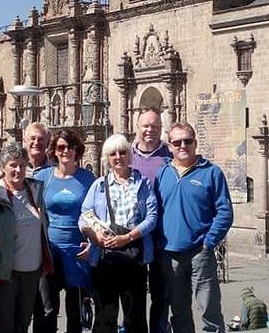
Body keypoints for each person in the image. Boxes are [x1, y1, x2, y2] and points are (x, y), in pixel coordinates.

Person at [154, 122, 233, 333]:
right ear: (169, 146)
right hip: (170, 256)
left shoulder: (211, 172)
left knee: (210, 310)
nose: (183, 145)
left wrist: (208, 243)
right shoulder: (162, 175)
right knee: (179, 312)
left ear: (195, 143)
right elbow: (155, 213)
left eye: (187, 141)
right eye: (177, 142)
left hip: (201, 253)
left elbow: (225, 212)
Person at [80, 133, 158, 333]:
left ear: (129, 155)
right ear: (107, 158)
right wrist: (94, 236)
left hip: (134, 257)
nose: (118, 157)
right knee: (105, 317)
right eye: (112, 154)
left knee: (136, 317)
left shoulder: (142, 184)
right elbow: (84, 217)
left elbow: (152, 217)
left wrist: (128, 236)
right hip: (106, 259)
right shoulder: (98, 186)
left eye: (122, 152)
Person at [0, 142, 53, 333]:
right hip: (4, 274)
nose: (18, 170)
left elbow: (44, 227)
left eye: (21, 164)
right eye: (13, 165)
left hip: (31, 272)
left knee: (22, 324)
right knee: (3, 326)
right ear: (3, 168)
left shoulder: (35, 192)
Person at [33, 128, 95, 333]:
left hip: (77, 251)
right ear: (54, 151)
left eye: (70, 147)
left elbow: (97, 215)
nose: (65, 151)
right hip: (49, 251)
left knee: (75, 310)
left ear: (77, 150)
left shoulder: (88, 179)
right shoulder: (42, 177)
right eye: (61, 147)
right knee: (47, 309)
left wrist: (93, 243)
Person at [131, 108, 172, 333]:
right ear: (137, 127)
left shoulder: (171, 155)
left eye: (155, 127)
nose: (150, 130)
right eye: (145, 126)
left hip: (162, 238)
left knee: (160, 295)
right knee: (134, 294)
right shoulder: (125, 155)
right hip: (132, 237)